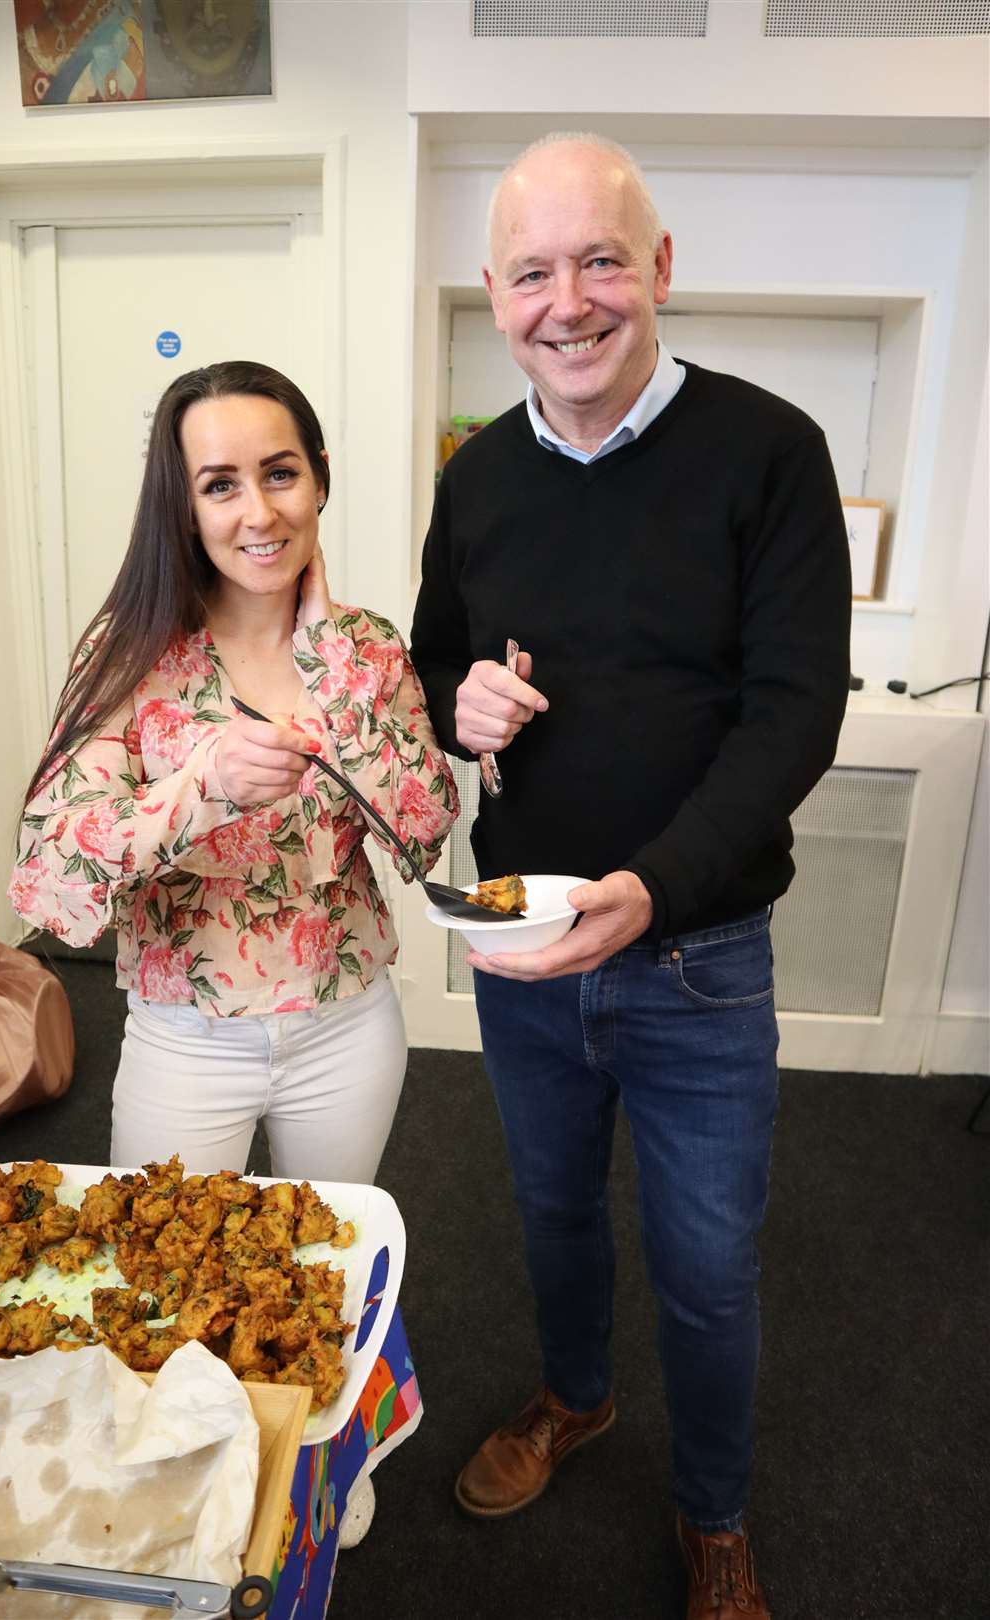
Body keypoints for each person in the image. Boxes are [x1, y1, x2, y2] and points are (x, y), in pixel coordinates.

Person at [410, 133, 851, 1620]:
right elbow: (428, 669)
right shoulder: (475, 478)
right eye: (533, 271)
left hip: (696, 960)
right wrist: (457, 703)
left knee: (711, 1268)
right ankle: (577, 1398)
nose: (569, 300)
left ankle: (714, 1514)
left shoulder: (769, 451)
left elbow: (796, 712)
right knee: (549, 1214)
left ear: (659, 271)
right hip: (524, 943)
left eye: (602, 259)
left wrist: (652, 889)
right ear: (495, 292)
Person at [11, 360, 459, 1186]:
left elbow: (426, 830)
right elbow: (50, 868)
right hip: (186, 1037)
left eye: (280, 474)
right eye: (220, 485)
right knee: (163, 1290)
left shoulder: (367, 646)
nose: (260, 513)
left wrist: (330, 665)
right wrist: (203, 784)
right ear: (183, 506)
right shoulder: (130, 652)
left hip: (348, 1026)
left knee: (319, 1268)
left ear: (318, 479)